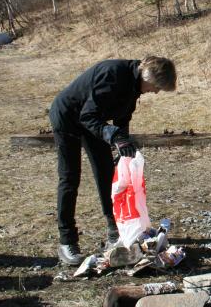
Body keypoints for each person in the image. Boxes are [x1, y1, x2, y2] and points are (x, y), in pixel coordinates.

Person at [49, 56, 177, 265]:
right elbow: (87, 115)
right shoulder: (114, 75)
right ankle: (67, 242)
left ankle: (114, 231)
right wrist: (112, 136)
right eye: (156, 87)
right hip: (68, 117)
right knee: (70, 178)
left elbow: (122, 117)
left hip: (91, 121)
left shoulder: (134, 84)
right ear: (148, 77)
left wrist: (122, 142)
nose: (155, 92)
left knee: (107, 173)